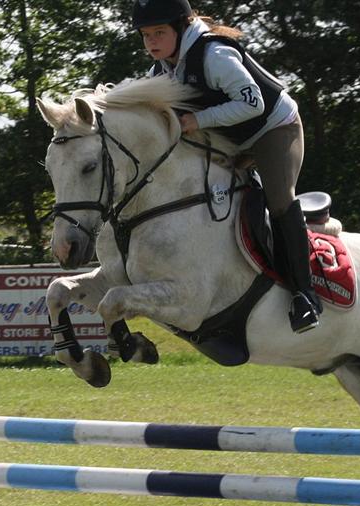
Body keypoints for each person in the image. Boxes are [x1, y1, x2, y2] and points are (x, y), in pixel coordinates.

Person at [132, 0, 320, 333]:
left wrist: (197, 119)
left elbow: (253, 102)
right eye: (146, 35)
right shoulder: (163, 68)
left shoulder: (214, 55)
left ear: (182, 26)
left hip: (274, 128)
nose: (151, 42)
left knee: (278, 199)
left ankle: (305, 296)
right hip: (232, 139)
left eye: (159, 33)